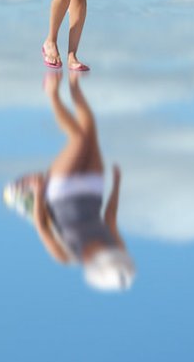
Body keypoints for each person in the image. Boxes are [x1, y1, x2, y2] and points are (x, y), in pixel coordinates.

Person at [11, 72, 135, 291]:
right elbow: (110, 218)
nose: (101, 250)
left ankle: (52, 94)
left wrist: (39, 191)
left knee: (77, 138)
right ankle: (74, 84)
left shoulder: (66, 255)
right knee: (90, 129)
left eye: (100, 256)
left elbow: (42, 227)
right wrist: (116, 185)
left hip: (62, 192)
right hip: (94, 188)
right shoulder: (118, 248)